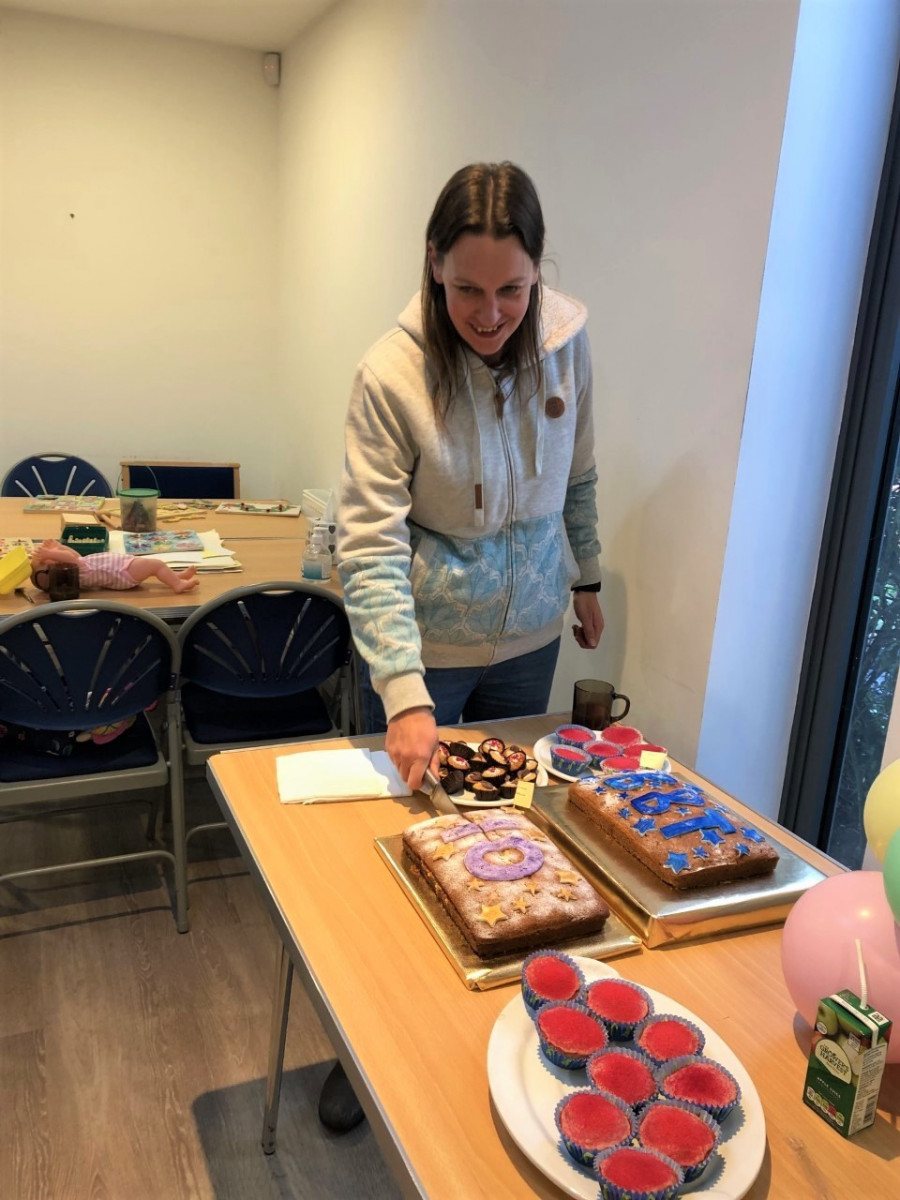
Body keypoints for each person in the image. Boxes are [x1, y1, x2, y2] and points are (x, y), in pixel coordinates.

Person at [321, 162, 605, 1133]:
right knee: (403, 853)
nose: (491, 313)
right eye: (469, 289)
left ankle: (496, 1032)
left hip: (529, 640)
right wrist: (403, 693)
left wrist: (590, 578)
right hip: (426, 651)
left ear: (538, 276)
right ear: (435, 268)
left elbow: (582, 475)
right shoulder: (388, 376)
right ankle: (358, 1045)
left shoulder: (567, 347)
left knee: (515, 847)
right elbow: (367, 542)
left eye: (512, 289)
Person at [30, 539, 199, 593]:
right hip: (122, 572)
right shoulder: (78, 569)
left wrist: (58, 547)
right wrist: (50, 553)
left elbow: (72, 554)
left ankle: (175, 577)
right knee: (156, 564)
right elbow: (70, 557)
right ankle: (176, 584)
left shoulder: (79, 569)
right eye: (47, 562)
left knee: (153, 567)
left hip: (122, 569)